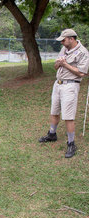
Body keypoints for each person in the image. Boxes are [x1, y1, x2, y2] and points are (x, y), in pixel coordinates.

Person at [38, 29, 89, 158]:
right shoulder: (64, 49)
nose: (62, 42)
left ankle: (71, 143)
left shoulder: (83, 52)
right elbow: (56, 66)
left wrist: (65, 64)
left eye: (63, 40)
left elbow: (82, 73)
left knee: (68, 116)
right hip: (58, 84)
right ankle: (52, 134)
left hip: (70, 85)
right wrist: (58, 63)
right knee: (54, 111)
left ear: (71, 38)